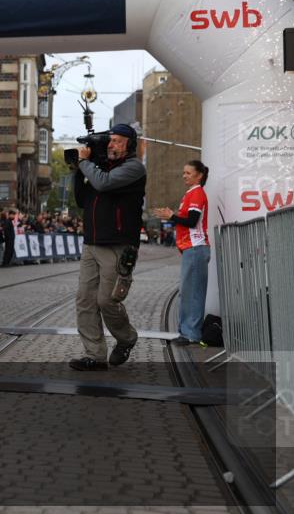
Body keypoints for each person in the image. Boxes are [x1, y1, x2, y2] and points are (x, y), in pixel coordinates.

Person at [70, 124, 145, 371]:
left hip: (118, 245)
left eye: (117, 141)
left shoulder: (133, 168)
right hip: (91, 243)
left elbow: (104, 184)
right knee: (85, 301)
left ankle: (126, 338)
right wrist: (76, 169)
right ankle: (95, 354)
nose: (112, 145)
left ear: (129, 145)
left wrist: (86, 164)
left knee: (107, 301)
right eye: (110, 141)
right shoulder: (98, 168)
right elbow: (82, 199)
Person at [153, 160, 210, 345]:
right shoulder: (190, 194)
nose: (184, 175)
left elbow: (192, 221)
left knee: (192, 293)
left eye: (188, 173)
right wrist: (172, 216)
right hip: (192, 248)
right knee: (188, 292)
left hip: (196, 248)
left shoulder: (197, 193)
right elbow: (186, 219)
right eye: (183, 172)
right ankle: (186, 332)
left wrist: (172, 216)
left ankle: (191, 334)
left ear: (199, 175)